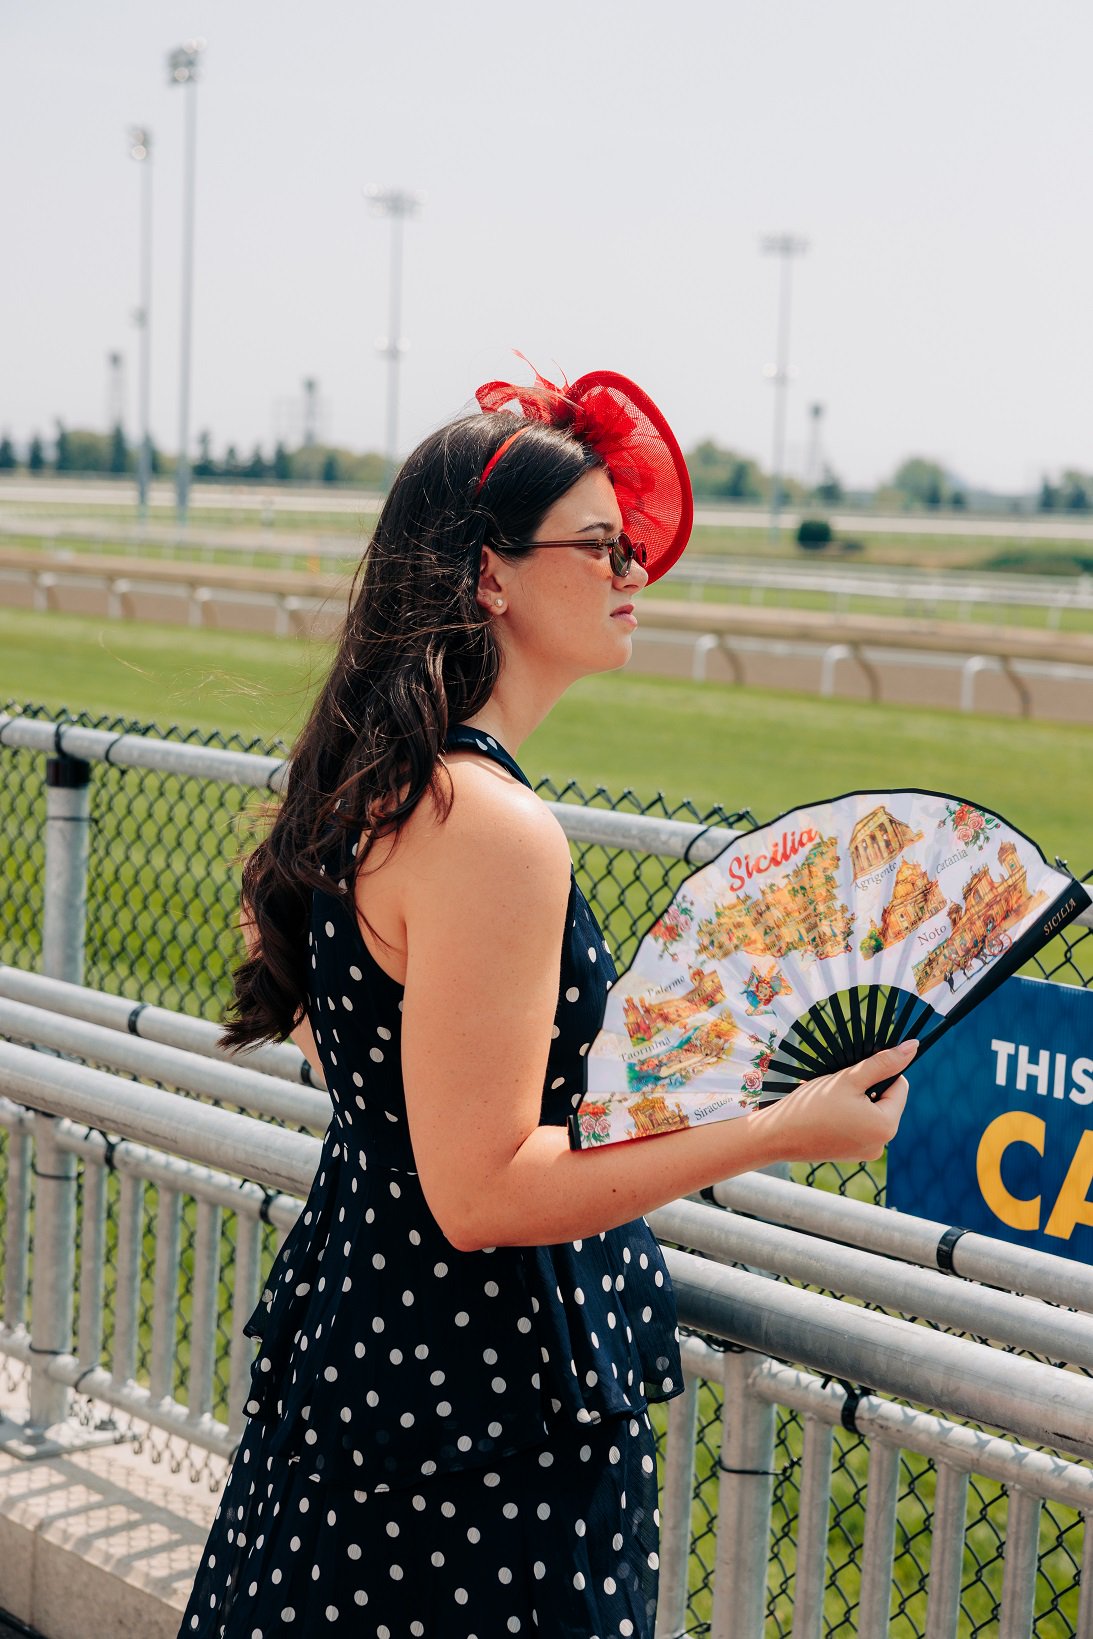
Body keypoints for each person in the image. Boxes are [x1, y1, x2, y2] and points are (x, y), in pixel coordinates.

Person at [178, 362, 913, 1638]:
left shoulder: (379, 787)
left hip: (378, 1367)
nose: (633, 572)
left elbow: (361, 1057)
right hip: (478, 1415)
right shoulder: (490, 826)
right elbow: (482, 1193)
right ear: (490, 575)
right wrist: (781, 1129)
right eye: (600, 546)